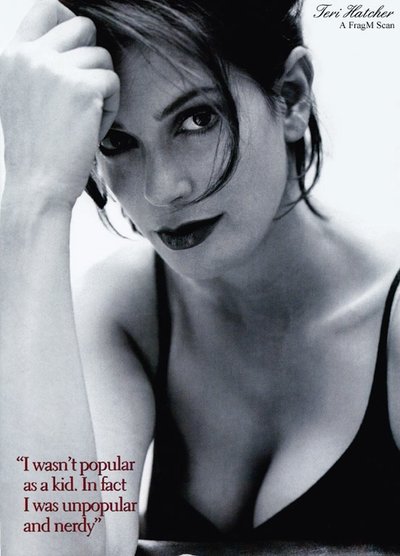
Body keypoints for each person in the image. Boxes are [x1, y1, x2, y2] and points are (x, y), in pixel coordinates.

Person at [1, 0, 399, 554]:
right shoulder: (128, 309)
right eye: (117, 141)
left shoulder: (391, 324)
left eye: (197, 120)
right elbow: (59, 547)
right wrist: (32, 197)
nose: (161, 189)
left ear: (291, 97)